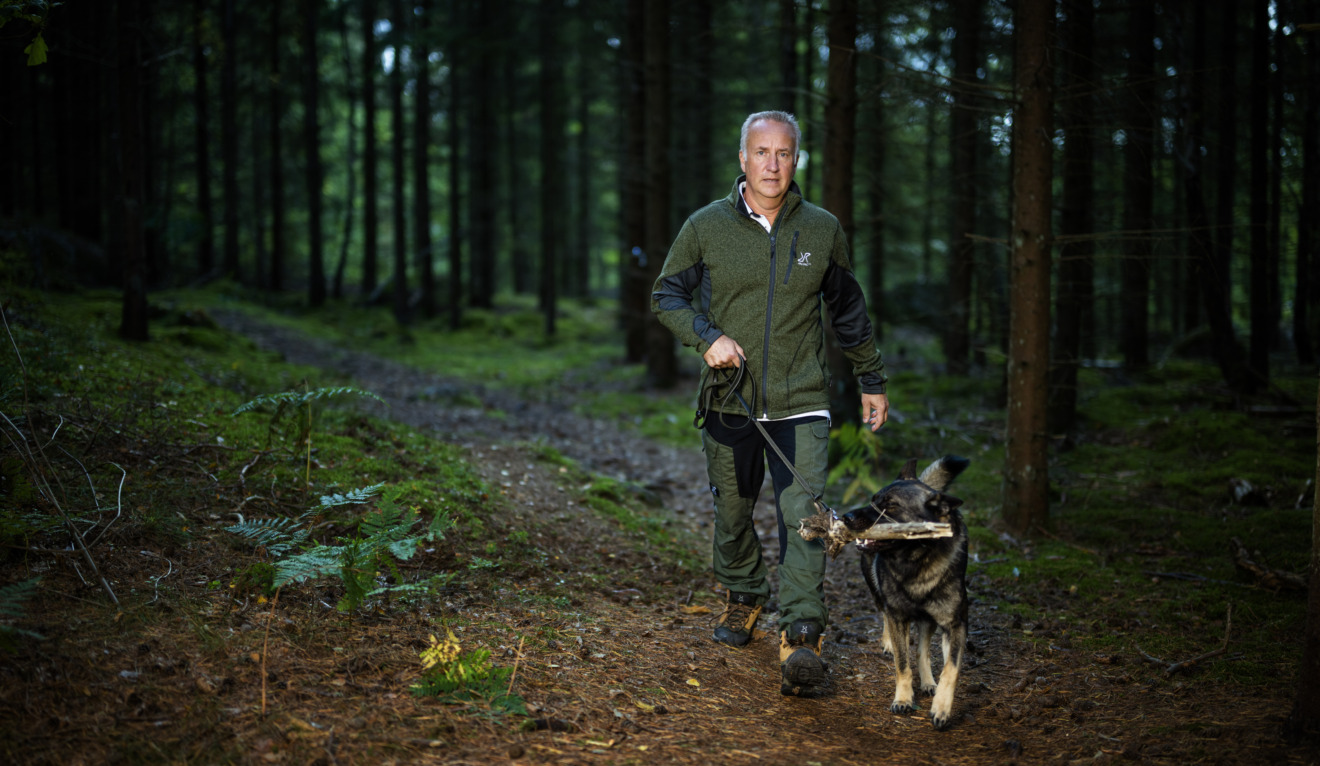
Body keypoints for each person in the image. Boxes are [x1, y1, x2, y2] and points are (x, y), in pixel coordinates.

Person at [651, 110, 889, 696]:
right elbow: (666, 294)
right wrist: (707, 338)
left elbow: (849, 312)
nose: (773, 164)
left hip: (801, 402)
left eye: (784, 153)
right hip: (731, 402)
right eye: (762, 152)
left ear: (797, 159)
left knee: (804, 520)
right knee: (733, 515)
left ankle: (803, 631)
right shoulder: (705, 227)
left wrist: (871, 379)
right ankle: (743, 594)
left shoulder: (823, 229)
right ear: (742, 159)